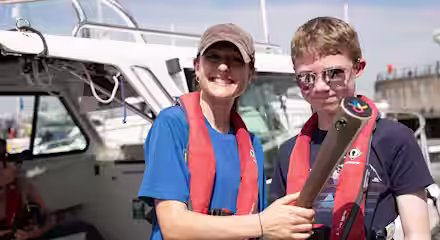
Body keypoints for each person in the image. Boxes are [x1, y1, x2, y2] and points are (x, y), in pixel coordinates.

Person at [138, 23, 315, 240]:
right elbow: (173, 226)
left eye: (236, 60)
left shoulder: (252, 145)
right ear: (197, 66)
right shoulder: (171, 125)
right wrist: (263, 224)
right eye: (213, 57)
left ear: (250, 74)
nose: (223, 67)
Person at [269, 16, 433, 239]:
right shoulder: (287, 153)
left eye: (334, 73)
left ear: (358, 68)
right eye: (307, 77)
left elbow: (418, 234)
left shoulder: (394, 140)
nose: (320, 87)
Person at [0, 139, 104, 240]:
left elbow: (51, 218)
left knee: (87, 231)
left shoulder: (23, 184)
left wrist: (33, 233)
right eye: (6, 162)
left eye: (9, 160)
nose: (13, 164)